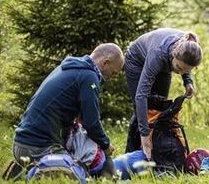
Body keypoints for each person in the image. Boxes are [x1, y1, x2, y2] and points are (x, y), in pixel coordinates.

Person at [13, 43, 125, 173]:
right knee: (75, 176)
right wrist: (106, 145)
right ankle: (27, 173)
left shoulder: (70, 67)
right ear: (106, 63)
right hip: (37, 146)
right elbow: (91, 123)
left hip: (21, 143)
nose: (111, 78)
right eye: (113, 72)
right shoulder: (89, 77)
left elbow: (82, 120)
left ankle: (26, 169)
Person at [124, 28, 202, 159]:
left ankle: (157, 153)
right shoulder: (158, 54)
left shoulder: (190, 47)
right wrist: (144, 135)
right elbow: (141, 96)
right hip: (136, 61)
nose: (181, 73)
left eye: (186, 70)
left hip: (164, 62)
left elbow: (185, 64)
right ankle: (133, 153)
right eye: (179, 68)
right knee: (143, 109)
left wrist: (188, 81)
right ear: (174, 54)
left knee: (159, 109)